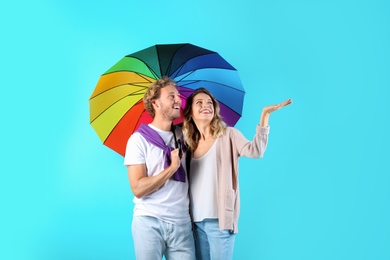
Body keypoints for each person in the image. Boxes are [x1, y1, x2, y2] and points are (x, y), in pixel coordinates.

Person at [182, 87, 292, 260]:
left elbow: (256, 151)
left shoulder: (228, 135)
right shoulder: (189, 146)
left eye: (210, 102)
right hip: (195, 223)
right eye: (199, 102)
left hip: (220, 222)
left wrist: (265, 115)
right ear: (190, 112)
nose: (206, 105)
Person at [124, 77, 195, 260]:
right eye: (171, 96)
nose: (178, 100)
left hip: (181, 224)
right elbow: (138, 188)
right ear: (155, 103)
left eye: (178, 96)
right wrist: (171, 168)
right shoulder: (138, 140)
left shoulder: (184, 135)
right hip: (149, 221)